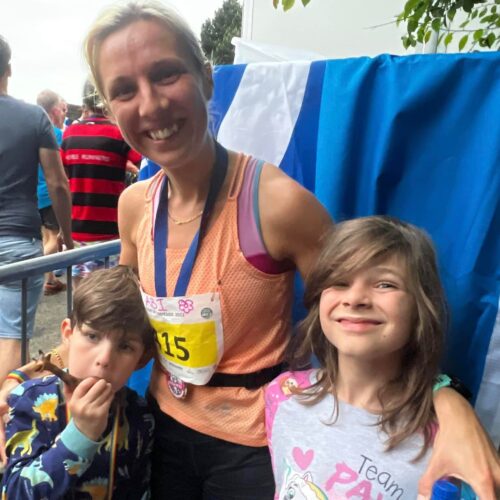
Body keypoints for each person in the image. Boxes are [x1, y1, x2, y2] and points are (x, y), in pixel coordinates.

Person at [78, 2, 499, 498]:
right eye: (124, 90)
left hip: (256, 445)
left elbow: (364, 310)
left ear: (206, 79)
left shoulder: (275, 203)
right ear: (109, 107)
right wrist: (42, 383)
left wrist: (446, 402)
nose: (149, 105)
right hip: (162, 424)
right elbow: (119, 323)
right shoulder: (133, 206)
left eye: (166, 75)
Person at [266, 216, 454, 498]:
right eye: (340, 282)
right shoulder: (282, 394)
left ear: (421, 308)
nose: (355, 299)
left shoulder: (448, 440)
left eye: (385, 284)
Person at [1, 266, 155, 498]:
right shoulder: (30, 401)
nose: (104, 360)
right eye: (92, 336)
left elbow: (138, 489)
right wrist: (80, 435)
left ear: (142, 358)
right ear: (68, 334)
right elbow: (14, 493)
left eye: (125, 347)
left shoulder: (140, 415)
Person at [0, 35, 73, 384]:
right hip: (16, 243)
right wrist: (68, 239)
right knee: (12, 338)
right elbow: (58, 184)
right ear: (9, 70)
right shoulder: (33, 118)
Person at [60, 79, 141, 282]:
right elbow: (144, 164)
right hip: (111, 233)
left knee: (82, 298)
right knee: (112, 296)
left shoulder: (69, 134)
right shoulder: (119, 133)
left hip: (79, 233)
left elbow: (64, 179)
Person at [36, 89, 67, 295]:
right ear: (55, 111)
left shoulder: (34, 131)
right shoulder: (55, 134)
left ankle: (51, 280)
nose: (65, 113)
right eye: (63, 109)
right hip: (50, 195)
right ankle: (29, 270)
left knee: (48, 238)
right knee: (55, 238)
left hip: (37, 195)